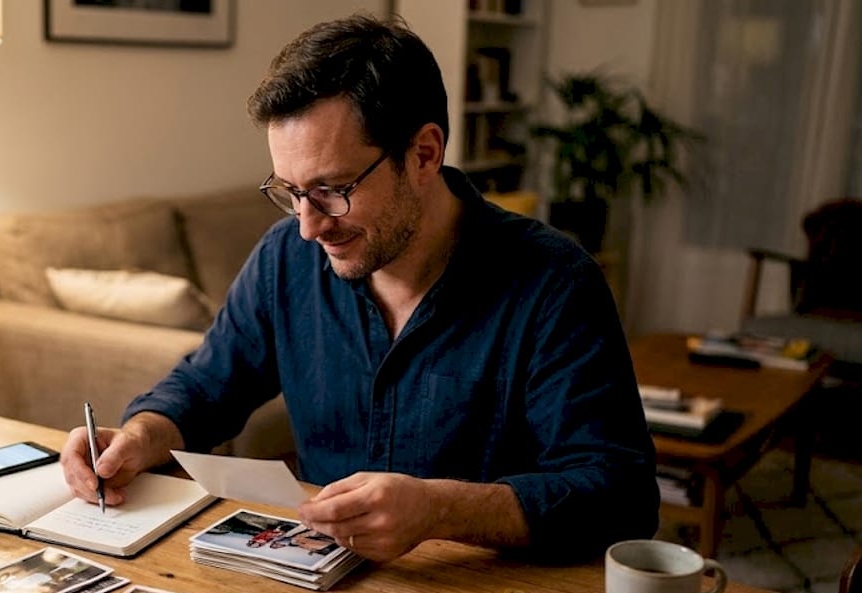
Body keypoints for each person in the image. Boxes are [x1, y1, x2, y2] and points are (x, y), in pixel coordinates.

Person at [60, 13, 658, 562]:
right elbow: (207, 384)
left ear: (423, 154)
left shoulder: (554, 282)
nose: (309, 225)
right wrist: (140, 436)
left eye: (332, 189)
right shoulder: (285, 259)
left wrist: (441, 510)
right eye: (290, 191)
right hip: (319, 581)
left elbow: (619, 496)